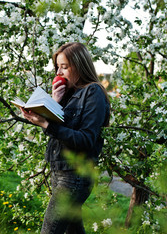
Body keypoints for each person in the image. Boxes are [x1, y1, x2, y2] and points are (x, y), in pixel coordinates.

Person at [21, 42, 110, 234]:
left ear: (79, 65)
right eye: (57, 67)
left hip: (75, 176)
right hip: (59, 172)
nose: (58, 73)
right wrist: (54, 103)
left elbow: (86, 139)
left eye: (64, 67)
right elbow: (63, 128)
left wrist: (46, 124)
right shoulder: (69, 94)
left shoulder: (93, 93)